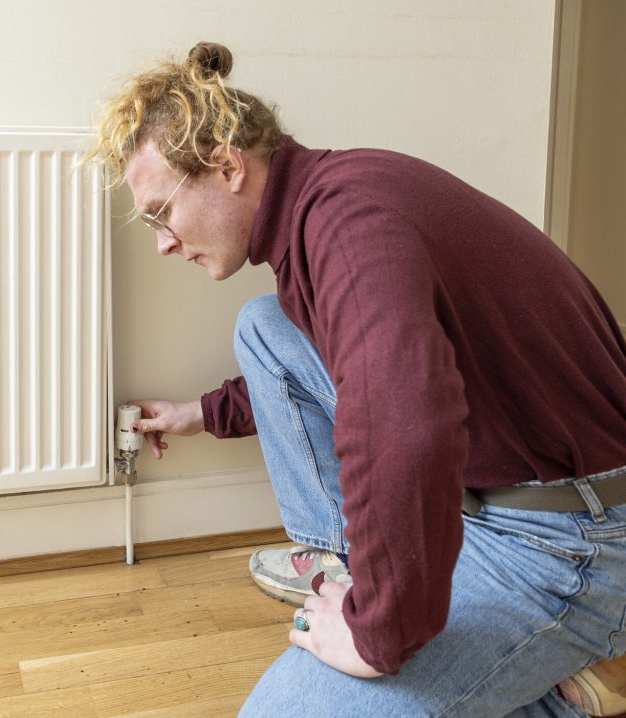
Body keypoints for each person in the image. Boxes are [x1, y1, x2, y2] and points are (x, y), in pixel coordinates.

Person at [87, 41, 626, 717]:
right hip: (514, 487)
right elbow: (351, 369)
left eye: (162, 214)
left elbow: (406, 430)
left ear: (225, 166)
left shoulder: (347, 228)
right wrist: (200, 413)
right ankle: (361, 575)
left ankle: (561, 684)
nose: (164, 242)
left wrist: (378, 634)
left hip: (572, 541)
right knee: (267, 326)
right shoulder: (335, 198)